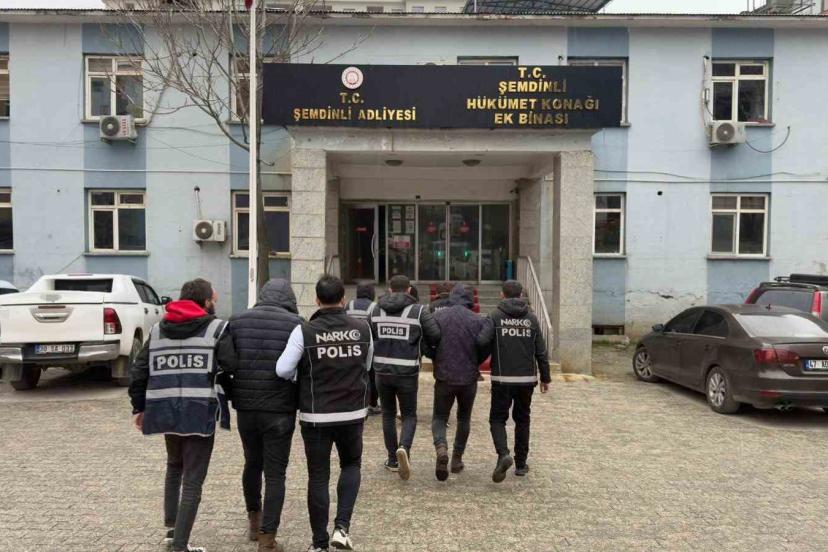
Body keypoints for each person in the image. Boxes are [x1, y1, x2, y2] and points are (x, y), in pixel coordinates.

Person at [128, 278, 236, 552]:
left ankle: (172, 529)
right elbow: (231, 366)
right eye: (213, 300)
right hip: (199, 412)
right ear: (205, 302)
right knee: (193, 481)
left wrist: (139, 407)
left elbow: (139, 370)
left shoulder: (157, 330)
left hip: (165, 411)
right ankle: (180, 545)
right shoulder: (216, 328)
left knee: (174, 466)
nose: (215, 304)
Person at [276, 275, 373, 552]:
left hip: (316, 415)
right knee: (351, 465)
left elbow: (282, 369)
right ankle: (342, 528)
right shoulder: (363, 329)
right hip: (352, 412)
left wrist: (300, 377)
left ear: (317, 299)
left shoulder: (304, 331)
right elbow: (367, 365)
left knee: (318, 476)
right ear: (343, 298)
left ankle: (319, 543)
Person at [227, 279, 302, 552]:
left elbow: (228, 362)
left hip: (246, 408)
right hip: (280, 409)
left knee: (252, 463)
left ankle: (254, 521)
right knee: (275, 473)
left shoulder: (236, 321)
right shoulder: (296, 324)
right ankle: (267, 538)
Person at [477, 280, 551, 483]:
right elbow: (541, 351)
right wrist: (545, 377)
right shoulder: (531, 318)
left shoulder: (495, 316)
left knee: (497, 419)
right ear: (520, 296)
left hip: (502, 379)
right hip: (527, 380)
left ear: (502, 295)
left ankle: (503, 454)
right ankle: (520, 465)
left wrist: (480, 359)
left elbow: (481, 341)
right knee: (523, 419)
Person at [368, 274, 441, 480]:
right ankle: (404, 449)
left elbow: (369, 335)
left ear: (390, 289)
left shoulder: (375, 309)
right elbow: (435, 335)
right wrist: (421, 345)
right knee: (409, 415)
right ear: (409, 290)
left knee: (388, 414)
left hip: (382, 371)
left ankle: (392, 459)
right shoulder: (418, 311)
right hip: (407, 372)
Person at [431, 283, 486, 482]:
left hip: (444, 376)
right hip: (468, 378)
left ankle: (441, 448)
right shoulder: (478, 320)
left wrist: (435, 359)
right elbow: (484, 344)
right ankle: (456, 458)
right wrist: (476, 362)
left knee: (439, 417)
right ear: (470, 299)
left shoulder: (438, 317)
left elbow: (428, 342)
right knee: (464, 418)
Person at [346, 282, 381, 416]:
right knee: (371, 376)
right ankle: (372, 404)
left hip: (350, 347)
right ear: (372, 293)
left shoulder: (348, 305)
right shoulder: (375, 307)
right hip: (368, 347)